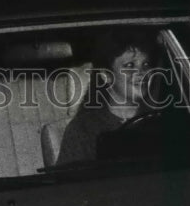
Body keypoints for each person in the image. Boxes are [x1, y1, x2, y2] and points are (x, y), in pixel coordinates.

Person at [56, 30, 159, 165]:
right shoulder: (83, 129)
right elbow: (70, 183)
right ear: (106, 76)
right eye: (130, 65)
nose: (142, 73)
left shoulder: (158, 120)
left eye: (145, 65)